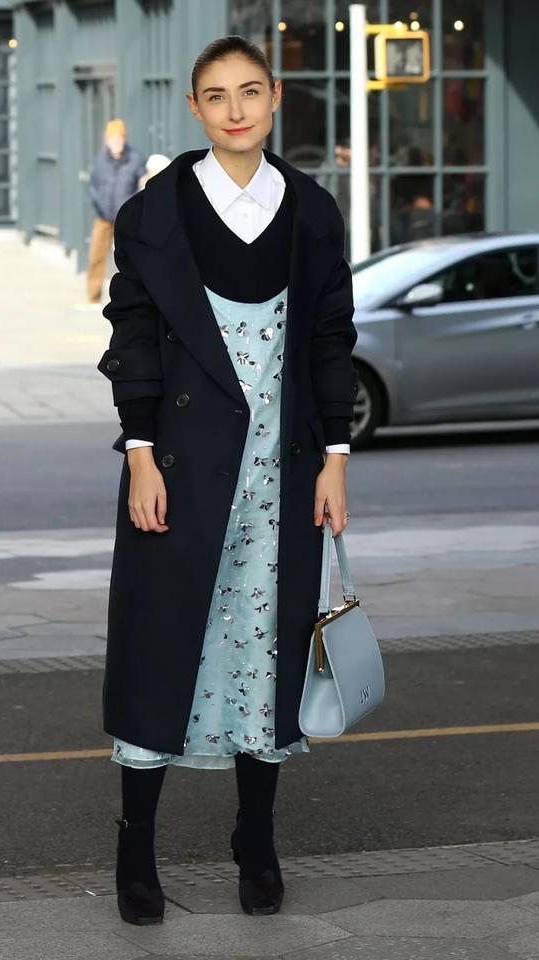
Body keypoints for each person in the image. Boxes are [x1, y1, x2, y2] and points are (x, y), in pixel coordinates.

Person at [97, 35, 358, 926]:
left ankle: (257, 837)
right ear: (196, 108)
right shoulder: (153, 214)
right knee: (158, 648)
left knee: (266, 651)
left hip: (283, 472)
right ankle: (136, 849)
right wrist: (139, 453)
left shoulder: (311, 210)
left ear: (276, 96)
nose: (236, 110)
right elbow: (133, 337)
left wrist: (335, 460)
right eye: (217, 95)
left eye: (251, 91)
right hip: (174, 470)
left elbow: (331, 339)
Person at [76, 119, 146, 310]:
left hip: (127, 219)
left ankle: (136, 299)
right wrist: (98, 203)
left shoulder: (135, 158)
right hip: (104, 216)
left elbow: (144, 183)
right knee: (96, 256)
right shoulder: (100, 160)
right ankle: (92, 297)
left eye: (120, 138)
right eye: (113, 138)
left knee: (131, 259)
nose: (117, 142)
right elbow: (93, 184)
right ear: (107, 140)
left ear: (124, 139)